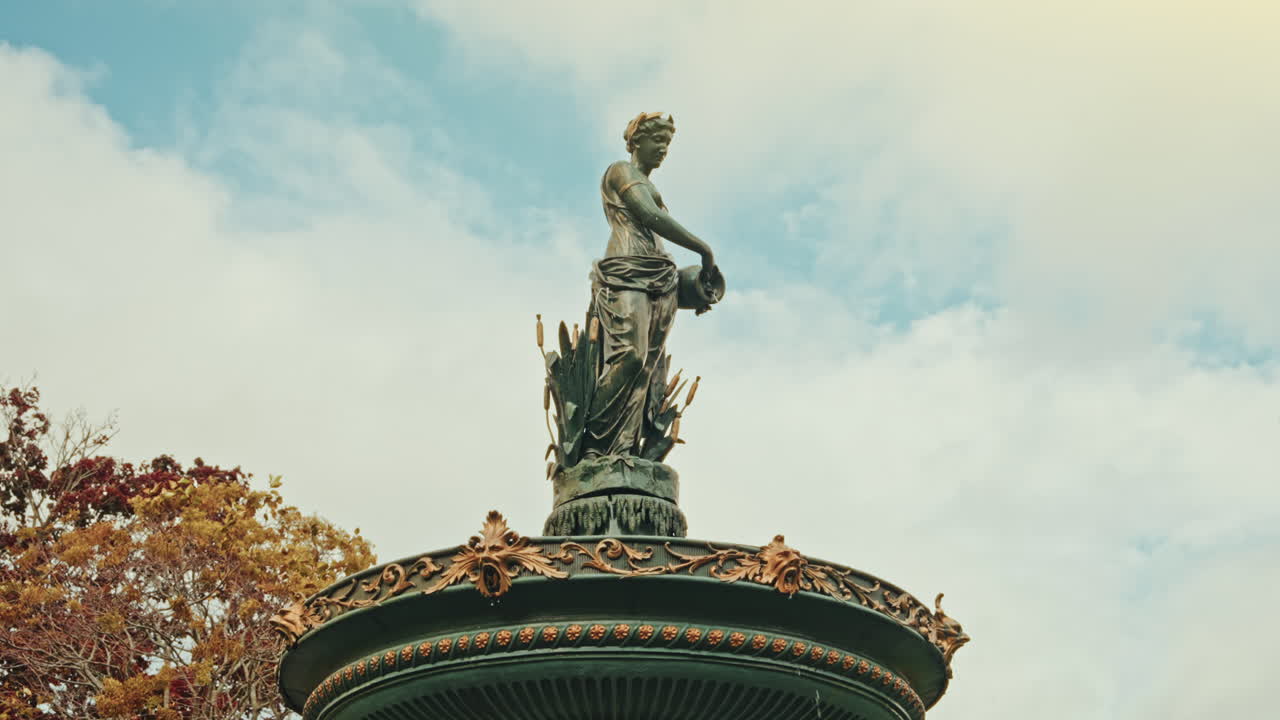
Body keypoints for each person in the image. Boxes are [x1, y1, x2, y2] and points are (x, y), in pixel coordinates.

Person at [582, 112, 721, 459]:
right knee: (629, 356)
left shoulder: (646, 182)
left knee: (646, 370)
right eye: (657, 141)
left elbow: (655, 231)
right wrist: (704, 249)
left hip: (659, 280)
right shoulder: (621, 172)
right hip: (626, 271)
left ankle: (624, 451)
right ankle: (593, 447)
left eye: (668, 144)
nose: (663, 150)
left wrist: (694, 286)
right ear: (636, 141)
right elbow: (649, 216)